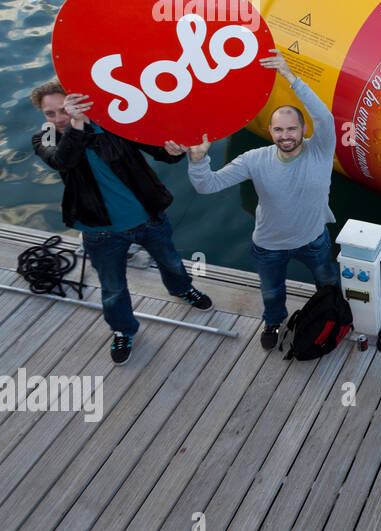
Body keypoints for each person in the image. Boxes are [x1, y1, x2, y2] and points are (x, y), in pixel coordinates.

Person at [30, 79, 212, 365]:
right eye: (49, 114)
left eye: (64, 109)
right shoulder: (46, 137)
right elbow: (62, 161)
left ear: (78, 102)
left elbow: (159, 151)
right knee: (112, 287)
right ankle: (123, 329)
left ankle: (182, 289)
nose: (58, 119)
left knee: (171, 262)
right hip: (99, 231)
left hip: (148, 217)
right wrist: (76, 125)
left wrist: (175, 149)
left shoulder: (115, 122)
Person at [169, 51, 338, 350]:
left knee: (329, 286)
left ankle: (332, 316)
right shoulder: (254, 159)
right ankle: (273, 322)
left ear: (303, 130)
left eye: (291, 129)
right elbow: (208, 185)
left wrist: (289, 76)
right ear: (270, 131)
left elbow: (323, 116)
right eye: (278, 130)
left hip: (314, 241)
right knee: (272, 293)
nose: (285, 135)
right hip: (269, 246)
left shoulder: (321, 150)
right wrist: (197, 161)